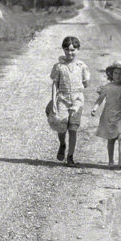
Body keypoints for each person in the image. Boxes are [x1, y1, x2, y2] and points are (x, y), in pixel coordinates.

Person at [49, 36, 90, 167]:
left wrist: (83, 84)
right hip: (62, 98)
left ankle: (70, 157)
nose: (70, 53)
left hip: (77, 99)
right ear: (63, 50)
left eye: (73, 50)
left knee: (73, 128)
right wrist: (54, 101)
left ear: (78, 50)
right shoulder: (59, 66)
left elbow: (86, 82)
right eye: (67, 50)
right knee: (61, 126)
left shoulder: (81, 66)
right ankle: (62, 144)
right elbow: (55, 84)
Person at [89, 61, 121, 168]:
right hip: (109, 115)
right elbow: (100, 99)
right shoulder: (107, 87)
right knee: (111, 139)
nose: (118, 76)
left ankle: (120, 162)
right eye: (116, 73)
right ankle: (111, 161)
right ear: (111, 74)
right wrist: (94, 108)